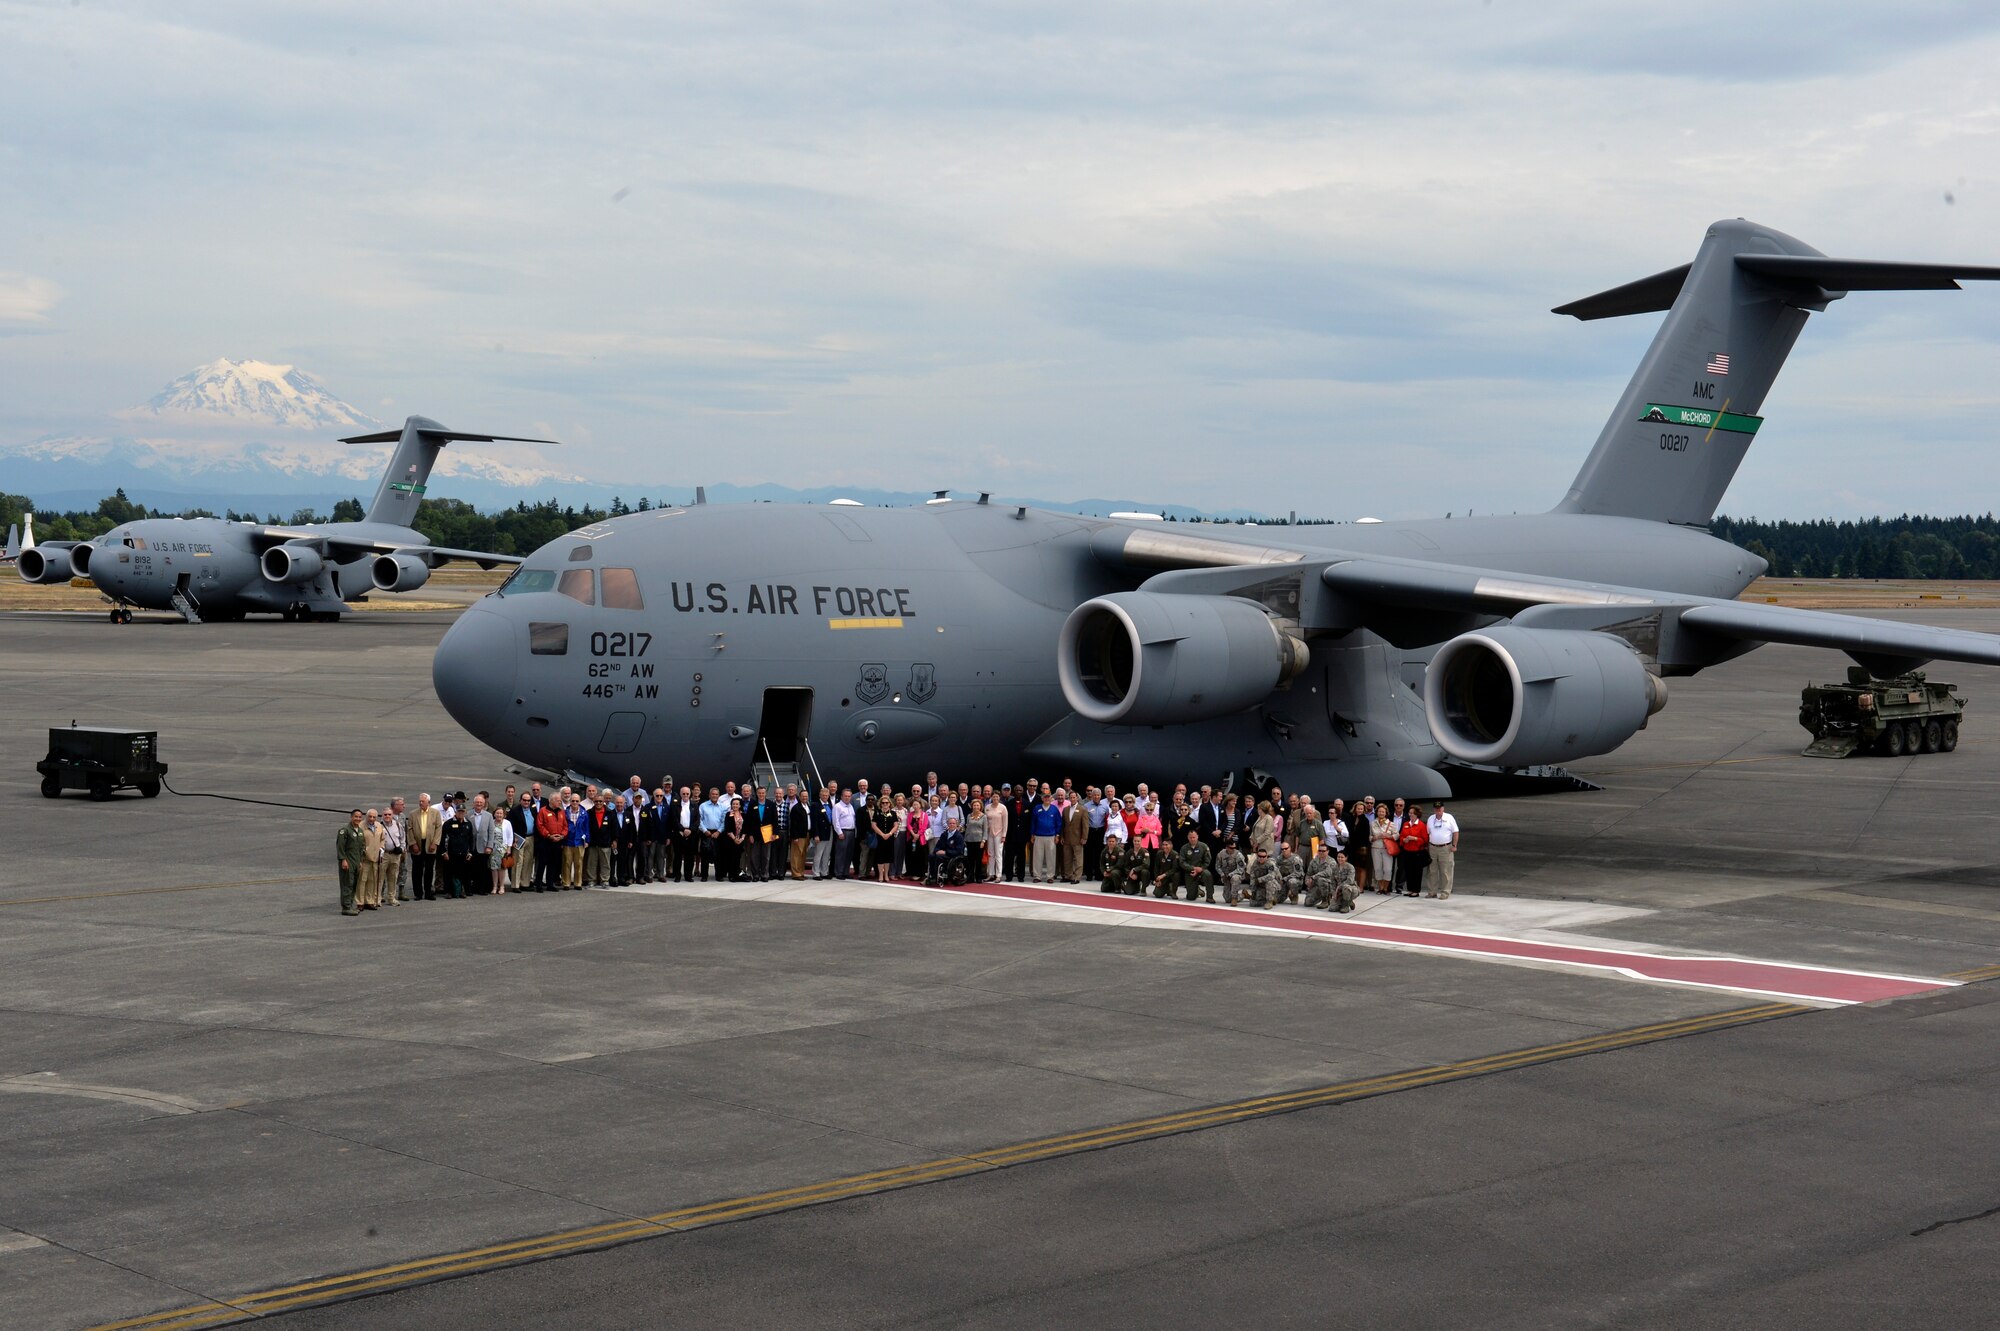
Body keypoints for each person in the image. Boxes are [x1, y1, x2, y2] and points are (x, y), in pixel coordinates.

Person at [409, 792, 442, 902]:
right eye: (420, 801)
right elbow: (410, 829)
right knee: (416, 870)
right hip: (417, 844)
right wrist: (413, 843)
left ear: (429, 802)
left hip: (430, 844)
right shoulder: (413, 814)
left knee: (429, 869)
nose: (420, 803)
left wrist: (435, 843)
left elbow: (438, 828)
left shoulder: (435, 813)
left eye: (423, 801)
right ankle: (418, 893)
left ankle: (428, 892)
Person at [440, 797, 476, 899]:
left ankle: (460, 891)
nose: (460, 813)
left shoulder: (468, 824)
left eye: (462, 811)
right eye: (459, 811)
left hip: (463, 853)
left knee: (463, 873)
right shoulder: (448, 823)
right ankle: (449, 891)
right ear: (455, 812)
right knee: (449, 873)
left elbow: (471, 839)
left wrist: (470, 853)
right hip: (451, 853)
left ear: (465, 812)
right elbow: (443, 839)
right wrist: (444, 852)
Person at [1424, 801, 1461, 899]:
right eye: (1436, 808)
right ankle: (1432, 892)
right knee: (1432, 870)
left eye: (1439, 808)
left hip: (1445, 847)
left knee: (1446, 871)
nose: (1438, 810)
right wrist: (1427, 846)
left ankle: (1445, 892)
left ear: (1443, 809)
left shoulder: (1449, 818)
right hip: (1432, 847)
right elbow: (1428, 833)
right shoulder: (1431, 818)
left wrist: (1454, 845)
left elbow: (1455, 832)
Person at [336, 809, 366, 916]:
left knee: (354, 884)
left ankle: (351, 904)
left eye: (359, 817)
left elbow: (362, 847)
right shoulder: (344, 830)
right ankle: (346, 907)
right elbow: (340, 847)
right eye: (356, 817)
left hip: (356, 862)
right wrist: (343, 860)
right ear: (351, 817)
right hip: (348, 862)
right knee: (347, 884)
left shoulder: (360, 831)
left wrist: (361, 861)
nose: (358, 819)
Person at [1397, 804, 1430, 896]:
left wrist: (1414, 838)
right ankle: (1410, 889)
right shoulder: (1406, 824)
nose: (1410, 815)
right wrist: (1404, 839)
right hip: (1407, 851)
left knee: (1417, 872)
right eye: (1410, 813)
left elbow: (1425, 840)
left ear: (1417, 814)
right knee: (1408, 871)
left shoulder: (1422, 825)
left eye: (1412, 813)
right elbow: (1401, 836)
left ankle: (1416, 890)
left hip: (1417, 852)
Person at [1174, 827, 1214, 903]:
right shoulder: (1184, 848)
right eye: (1190, 837)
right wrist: (1192, 868)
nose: (1192, 839)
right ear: (1187, 838)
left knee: (1208, 875)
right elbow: (1182, 862)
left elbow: (1208, 860)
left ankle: (1210, 897)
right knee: (1190, 897)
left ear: (1197, 837)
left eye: (1194, 837)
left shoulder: (1204, 846)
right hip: (1190, 872)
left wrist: (1201, 868)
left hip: (1202, 870)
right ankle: (1197, 891)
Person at [356, 808, 385, 910]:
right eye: (370, 816)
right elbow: (358, 842)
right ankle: (360, 901)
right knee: (362, 880)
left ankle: (370, 900)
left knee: (372, 880)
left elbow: (382, 839)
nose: (372, 819)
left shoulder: (379, 826)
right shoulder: (361, 826)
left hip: (375, 857)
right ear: (366, 816)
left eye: (374, 817)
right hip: (364, 858)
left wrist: (381, 848)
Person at [1029, 791, 1062, 883]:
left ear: (1051, 798)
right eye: (1045, 797)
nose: (1047, 799)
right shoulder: (1037, 808)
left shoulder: (1054, 809)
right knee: (1037, 857)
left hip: (1051, 836)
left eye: (1048, 797)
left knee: (1051, 857)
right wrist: (1032, 834)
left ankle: (1050, 876)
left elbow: (1058, 823)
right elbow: (1033, 822)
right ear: (1042, 798)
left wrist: (1057, 835)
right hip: (1038, 836)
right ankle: (1037, 876)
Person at [381, 797, 407, 906]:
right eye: (401, 804)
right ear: (394, 806)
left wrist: (403, 848)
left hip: (398, 851)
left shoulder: (402, 818)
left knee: (399, 872)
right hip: (386, 853)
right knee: (381, 875)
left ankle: (397, 893)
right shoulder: (381, 824)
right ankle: (380, 895)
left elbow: (403, 835)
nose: (404, 806)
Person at [562, 792, 588, 888]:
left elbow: (586, 828)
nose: (575, 802)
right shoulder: (565, 812)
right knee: (567, 863)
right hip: (568, 841)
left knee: (579, 864)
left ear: (580, 801)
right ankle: (566, 883)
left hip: (579, 842)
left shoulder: (584, 813)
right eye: (573, 801)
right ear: (570, 801)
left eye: (577, 801)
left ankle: (578, 883)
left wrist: (587, 840)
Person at [829, 787, 857, 879]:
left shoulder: (851, 806)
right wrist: (839, 833)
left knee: (849, 854)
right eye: (845, 796)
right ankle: (839, 872)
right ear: (841, 796)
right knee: (840, 854)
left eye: (849, 796)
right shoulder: (837, 807)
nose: (847, 798)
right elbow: (835, 821)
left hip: (851, 832)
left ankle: (846, 872)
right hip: (843, 832)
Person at [490, 801, 516, 894]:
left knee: (502, 868)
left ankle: (501, 886)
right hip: (493, 848)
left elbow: (510, 836)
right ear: (494, 814)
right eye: (497, 813)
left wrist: (509, 848)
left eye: (501, 813)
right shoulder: (491, 822)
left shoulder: (507, 823)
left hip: (503, 848)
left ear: (504, 814)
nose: (499, 815)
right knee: (494, 868)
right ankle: (494, 886)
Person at [1214, 840, 1249, 906]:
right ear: (1226, 847)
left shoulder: (1238, 855)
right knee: (1227, 899)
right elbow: (1217, 866)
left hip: (1236, 875)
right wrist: (1222, 874)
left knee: (1235, 878)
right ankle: (1243, 895)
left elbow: (1241, 868)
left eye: (1234, 848)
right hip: (1226, 876)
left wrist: (1230, 875)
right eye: (1231, 848)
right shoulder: (1221, 854)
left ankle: (1234, 898)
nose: (1233, 849)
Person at [872, 795, 898, 882]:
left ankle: (886, 875)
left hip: (889, 838)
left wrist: (890, 834)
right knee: (880, 857)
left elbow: (896, 825)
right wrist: (882, 834)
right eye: (883, 803)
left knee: (888, 857)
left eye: (887, 802)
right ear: (881, 804)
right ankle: (880, 875)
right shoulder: (877, 812)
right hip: (880, 838)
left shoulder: (893, 813)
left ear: (889, 804)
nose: (885, 804)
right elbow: (873, 825)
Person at [964, 798, 989, 881]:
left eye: (977, 805)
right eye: (974, 805)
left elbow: (985, 830)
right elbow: (967, 828)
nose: (976, 807)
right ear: (972, 806)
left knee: (978, 860)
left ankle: (978, 877)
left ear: (980, 806)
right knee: (970, 860)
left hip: (979, 841)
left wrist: (983, 840)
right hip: (969, 840)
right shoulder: (969, 816)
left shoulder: (984, 816)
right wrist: (965, 839)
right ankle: (970, 877)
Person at [1276, 840, 1307, 907]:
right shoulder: (1279, 858)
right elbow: (1276, 869)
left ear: (1290, 848)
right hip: (1283, 882)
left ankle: (1294, 896)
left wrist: (1285, 879)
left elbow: (1298, 873)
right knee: (1277, 900)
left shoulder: (1296, 859)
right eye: (1282, 849)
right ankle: (1287, 893)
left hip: (1295, 880)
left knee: (1292, 881)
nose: (1284, 850)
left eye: (1286, 849)